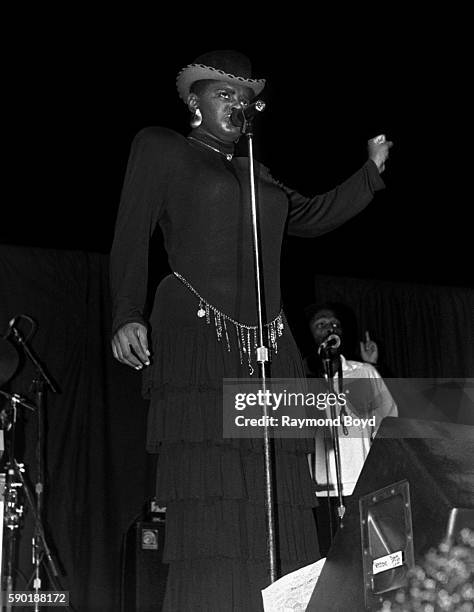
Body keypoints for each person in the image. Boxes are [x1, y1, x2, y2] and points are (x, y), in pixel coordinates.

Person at [109, 49, 393, 611]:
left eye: (245, 100)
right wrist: (126, 313)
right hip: (197, 332)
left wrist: (370, 174)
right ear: (194, 101)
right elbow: (130, 231)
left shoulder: (253, 170)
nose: (237, 107)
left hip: (269, 341)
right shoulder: (161, 147)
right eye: (224, 95)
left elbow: (309, 215)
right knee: (214, 483)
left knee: (277, 485)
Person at [304, 303, 398, 555]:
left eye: (334, 325)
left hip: (362, 482)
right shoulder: (301, 379)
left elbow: (388, 422)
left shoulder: (364, 372)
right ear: (309, 334)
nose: (329, 329)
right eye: (321, 324)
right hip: (320, 489)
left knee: (368, 557)